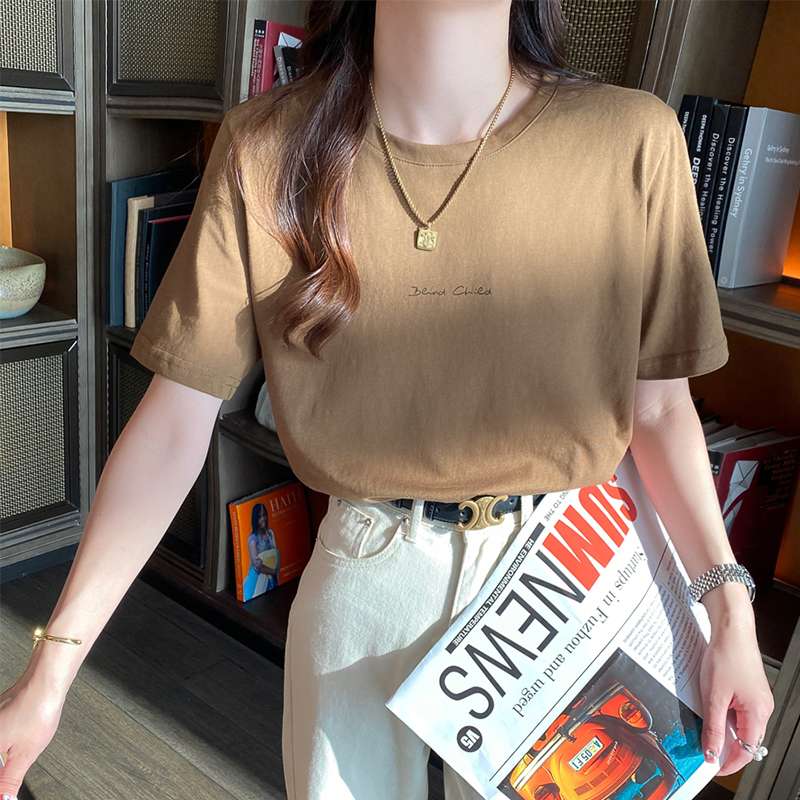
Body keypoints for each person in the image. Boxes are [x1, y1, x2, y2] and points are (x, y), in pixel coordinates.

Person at [0, 1, 775, 799]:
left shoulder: (630, 139)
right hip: (365, 573)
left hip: (564, 577)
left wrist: (729, 613)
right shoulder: (268, 147)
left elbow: (660, 409)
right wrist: (50, 671)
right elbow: (174, 421)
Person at [243, 502, 280, 599]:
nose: (263, 519)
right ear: (255, 519)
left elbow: (276, 553)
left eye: (264, 515)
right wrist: (272, 571)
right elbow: (257, 566)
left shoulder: (270, 533)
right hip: (258, 578)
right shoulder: (253, 539)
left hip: (271, 576)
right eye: (260, 517)